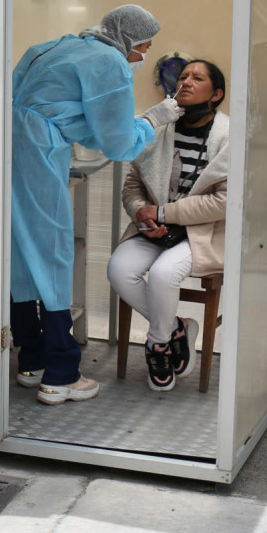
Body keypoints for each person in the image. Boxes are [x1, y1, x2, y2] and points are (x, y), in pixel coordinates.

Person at [11, 4, 182, 406]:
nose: (141, 56)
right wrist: (154, 120)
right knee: (53, 255)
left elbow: (67, 112)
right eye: (143, 47)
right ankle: (60, 374)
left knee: (19, 251)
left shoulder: (56, 46)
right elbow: (118, 142)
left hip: (10, 146)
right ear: (127, 39)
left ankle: (31, 358)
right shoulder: (110, 63)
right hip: (39, 154)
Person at [107, 59, 228, 392]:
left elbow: (223, 202)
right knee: (119, 269)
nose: (186, 82)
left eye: (197, 78)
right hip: (154, 228)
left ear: (215, 94)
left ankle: (158, 344)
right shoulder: (159, 128)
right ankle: (177, 327)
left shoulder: (228, 135)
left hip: (201, 233)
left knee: (163, 274)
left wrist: (162, 213)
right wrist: (141, 214)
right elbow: (132, 186)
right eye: (184, 76)